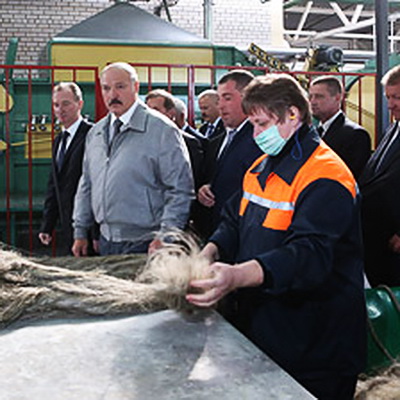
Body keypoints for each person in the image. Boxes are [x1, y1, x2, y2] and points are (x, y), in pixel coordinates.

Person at [187, 74, 367, 400]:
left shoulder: (326, 176)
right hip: (269, 329)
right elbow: (233, 220)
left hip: (316, 342)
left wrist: (238, 275)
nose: (256, 135)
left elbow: (309, 255)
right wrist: (209, 252)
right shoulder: (260, 167)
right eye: (253, 125)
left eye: (261, 124)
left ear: (293, 116)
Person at [72, 62, 194, 256]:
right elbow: (86, 184)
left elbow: (180, 189)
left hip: (147, 243)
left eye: (120, 87)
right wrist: (80, 231)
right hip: (106, 242)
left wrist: (166, 236)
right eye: (106, 88)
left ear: (136, 87)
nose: (112, 95)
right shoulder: (96, 133)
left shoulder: (161, 130)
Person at [196, 69, 262, 238]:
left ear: (248, 97)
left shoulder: (261, 140)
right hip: (218, 234)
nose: (220, 105)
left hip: (244, 235)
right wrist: (206, 188)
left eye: (227, 98)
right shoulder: (217, 141)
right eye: (219, 99)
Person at [38, 82, 94, 256]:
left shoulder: (93, 135)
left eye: (66, 103)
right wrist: (47, 224)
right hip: (66, 223)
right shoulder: (59, 140)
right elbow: (54, 185)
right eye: (56, 104)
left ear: (80, 104)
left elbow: (98, 184)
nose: (60, 109)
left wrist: (95, 232)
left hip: (90, 228)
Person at [359, 65, 400, 287]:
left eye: (397, 97)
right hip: (378, 236)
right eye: (388, 97)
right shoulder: (392, 130)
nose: (391, 104)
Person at [309, 75, 371, 179]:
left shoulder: (356, 135)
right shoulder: (312, 133)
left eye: (319, 96)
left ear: (338, 98)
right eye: (310, 96)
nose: (313, 102)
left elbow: (352, 176)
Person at [145, 89, 204, 189]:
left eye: (155, 110)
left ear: (170, 113)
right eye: (147, 110)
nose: (150, 114)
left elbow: (191, 182)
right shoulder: (138, 140)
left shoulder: (189, 143)